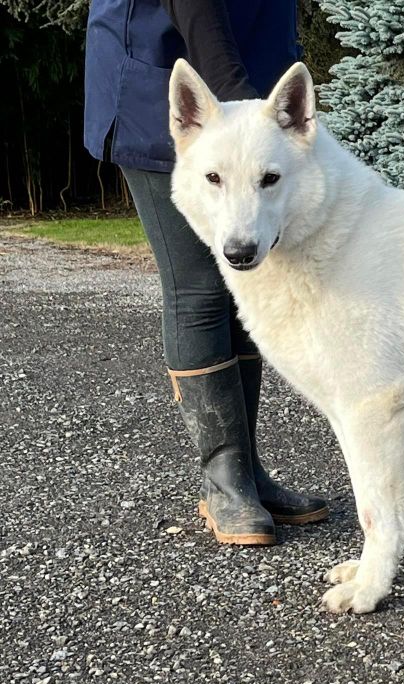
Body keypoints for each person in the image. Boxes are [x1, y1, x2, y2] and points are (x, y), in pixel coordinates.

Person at [84, 0, 328, 545]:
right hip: (177, 92)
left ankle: (248, 473)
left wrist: (269, 113)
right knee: (199, 292)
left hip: (249, 98)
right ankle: (224, 481)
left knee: (243, 289)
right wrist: (240, 115)